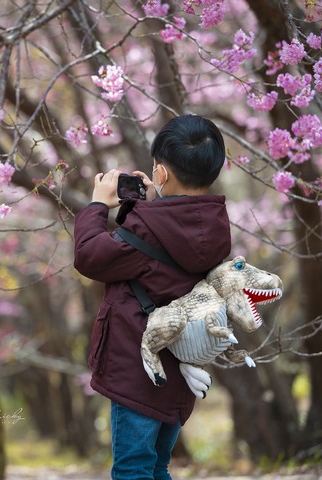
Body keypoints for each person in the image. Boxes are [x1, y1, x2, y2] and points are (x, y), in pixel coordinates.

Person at [73, 114, 231, 480]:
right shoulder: (216, 224)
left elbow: (90, 256)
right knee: (157, 466)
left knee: (132, 469)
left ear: (160, 174)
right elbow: (152, 252)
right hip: (179, 371)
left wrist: (98, 206)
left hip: (139, 371)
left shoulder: (148, 228)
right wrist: (142, 207)